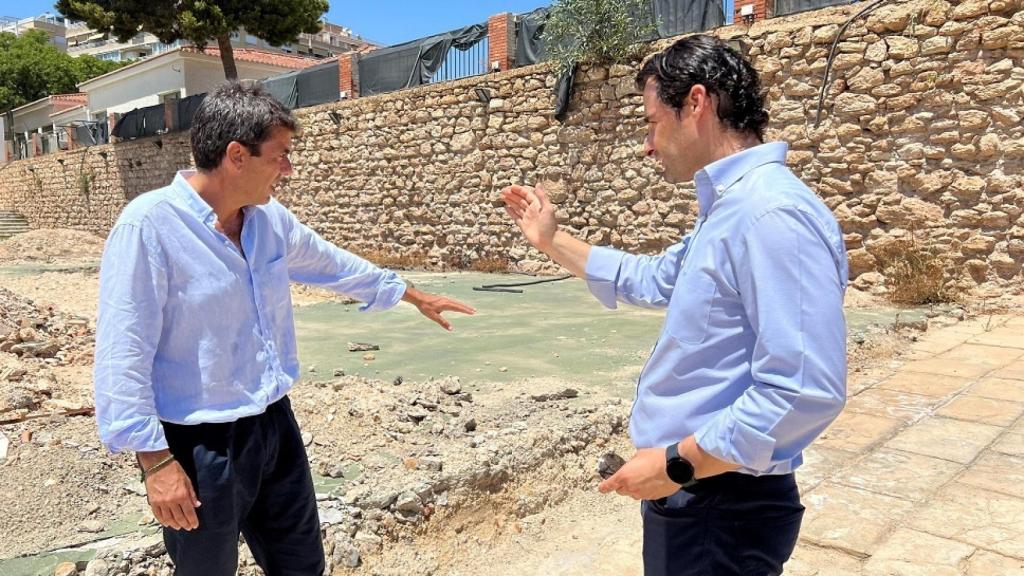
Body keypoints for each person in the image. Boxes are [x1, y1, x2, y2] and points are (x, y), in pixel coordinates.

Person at [94, 82, 475, 576]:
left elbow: (331, 263)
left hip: (274, 424)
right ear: (236, 155)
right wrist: (156, 463)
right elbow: (123, 350)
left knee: (301, 566)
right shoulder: (147, 228)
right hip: (198, 444)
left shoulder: (268, 220)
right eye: (280, 156)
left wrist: (410, 293)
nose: (288, 170)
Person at [501, 34, 847, 575]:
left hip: (720, 504)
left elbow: (804, 389)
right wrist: (551, 240)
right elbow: (654, 277)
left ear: (697, 103)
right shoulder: (732, 209)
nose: (646, 144)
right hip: (705, 497)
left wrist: (676, 466)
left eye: (651, 121)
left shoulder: (769, 215)